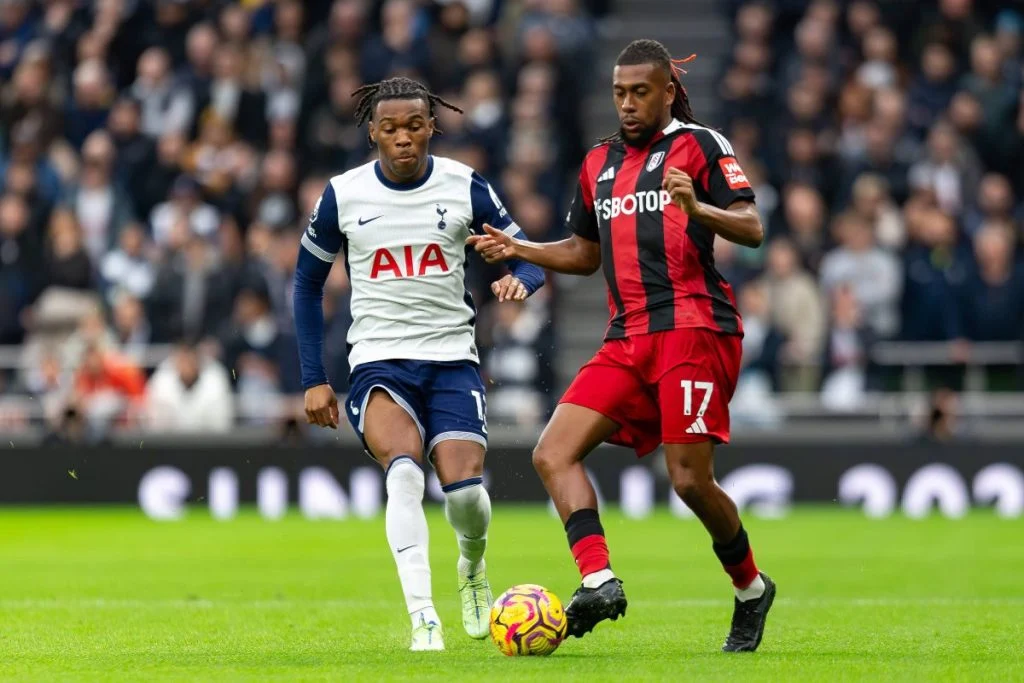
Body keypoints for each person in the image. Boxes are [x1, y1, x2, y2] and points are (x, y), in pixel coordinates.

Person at [468, 39, 775, 652]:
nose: (628, 104)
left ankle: (750, 588)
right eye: (619, 93)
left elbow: (753, 227)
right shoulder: (598, 163)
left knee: (689, 481)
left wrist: (699, 207)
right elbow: (584, 253)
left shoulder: (702, 146)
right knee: (552, 452)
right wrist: (522, 248)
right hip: (626, 337)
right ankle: (599, 579)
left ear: (667, 91)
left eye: (640, 92)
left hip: (694, 330)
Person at [292, 77, 545, 651]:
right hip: (379, 361)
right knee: (403, 475)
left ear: (431, 126)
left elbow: (528, 256)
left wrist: (517, 278)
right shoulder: (344, 194)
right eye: (390, 128)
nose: (403, 138)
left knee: (464, 499)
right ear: (373, 132)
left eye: (414, 126)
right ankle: (423, 617)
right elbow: (306, 285)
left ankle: (472, 567)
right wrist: (313, 379)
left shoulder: (464, 185)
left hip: (453, 359)